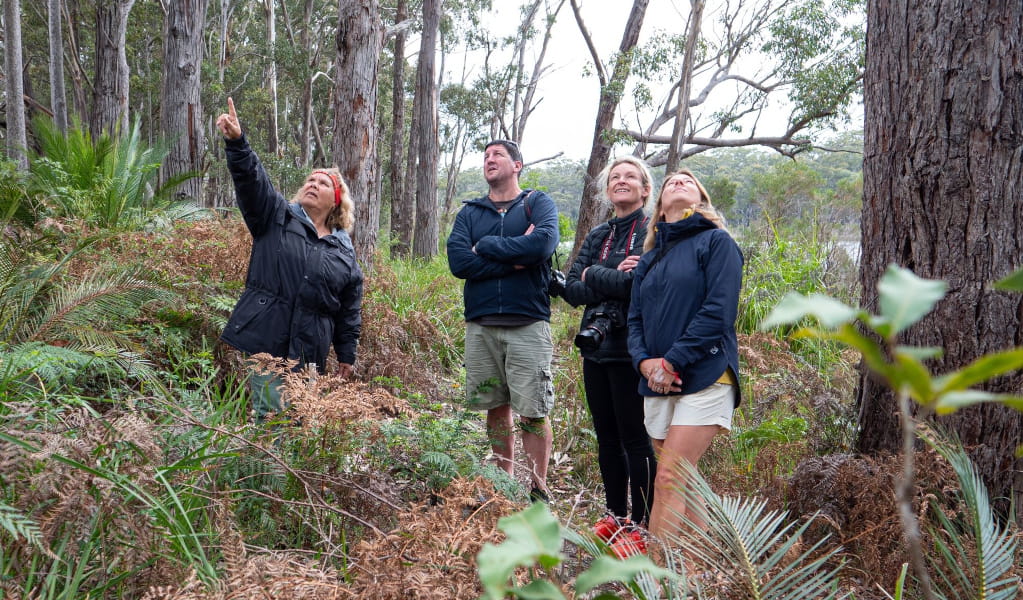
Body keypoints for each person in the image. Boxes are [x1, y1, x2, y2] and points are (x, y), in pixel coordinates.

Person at [215, 97, 363, 422]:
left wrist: (346, 354)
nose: (313, 183)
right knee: (270, 416)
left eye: (323, 183)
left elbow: (349, 308)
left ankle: (289, 474)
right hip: (269, 335)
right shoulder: (276, 217)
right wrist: (238, 144)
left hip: (311, 347)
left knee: (300, 419)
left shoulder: (344, 250)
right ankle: (265, 474)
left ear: (336, 202)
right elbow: (253, 183)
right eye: (310, 180)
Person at [626, 169, 742, 541]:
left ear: (701, 201)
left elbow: (719, 311)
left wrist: (673, 360)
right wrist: (645, 363)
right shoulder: (648, 260)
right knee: (685, 477)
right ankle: (698, 572)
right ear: (659, 207)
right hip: (657, 381)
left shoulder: (716, 243)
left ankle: (657, 577)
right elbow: (635, 320)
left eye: (689, 181)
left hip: (706, 372)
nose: (679, 181)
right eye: (672, 181)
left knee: (670, 476)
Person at [446, 139, 560, 502]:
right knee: (496, 408)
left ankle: (538, 489)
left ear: (517, 165)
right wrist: (515, 256)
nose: (489, 160)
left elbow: (542, 246)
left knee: (533, 410)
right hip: (481, 324)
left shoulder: (536, 203)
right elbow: (459, 263)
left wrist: (487, 247)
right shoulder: (469, 213)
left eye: (497, 155)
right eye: (485, 157)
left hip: (527, 322)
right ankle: (502, 485)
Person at [561, 156, 657, 557]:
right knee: (606, 437)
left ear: (645, 189)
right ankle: (615, 515)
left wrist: (595, 274)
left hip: (632, 348)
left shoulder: (653, 229)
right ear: (606, 189)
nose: (621, 181)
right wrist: (612, 273)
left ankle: (642, 524)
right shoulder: (598, 233)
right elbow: (571, 288)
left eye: (629, 177)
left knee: (635, 438)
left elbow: (639, 285)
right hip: (595, 347)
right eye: (614, 177)